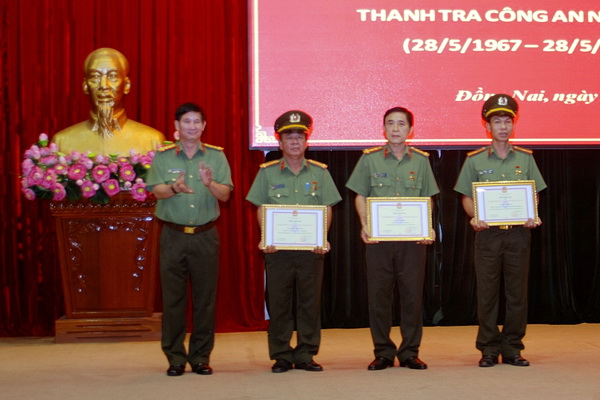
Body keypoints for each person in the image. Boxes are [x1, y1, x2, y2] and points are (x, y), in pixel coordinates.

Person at [454, 94, 547, 368]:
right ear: (488, 126)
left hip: (518, 234)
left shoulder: (526, 159)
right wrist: (475, 217)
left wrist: (531, 213)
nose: (503, 126)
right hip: (488, 236)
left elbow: (534, 193)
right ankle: (489, 348)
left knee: (517, 293)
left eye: (508, 121)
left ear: (513, 125)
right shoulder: (475, 160)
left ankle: (513, 347)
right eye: (497, 121)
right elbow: (466, 197)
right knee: (488, 294)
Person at [246, 110, 342, 373]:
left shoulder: (320, 173)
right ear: (280, 143)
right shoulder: (267, 173)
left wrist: (322, 237)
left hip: (311, 250)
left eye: (300, 137)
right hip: (278, 250)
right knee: (279, 303)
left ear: (307, 142)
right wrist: (266, 237)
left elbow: (328, 207)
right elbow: (260, 207)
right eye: (289, 137)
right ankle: (281, 355)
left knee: (309, 303)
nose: (295, 142)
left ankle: (306, 354)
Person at [346, 107, 439, 371]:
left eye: (401, 124)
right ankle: (383, 352)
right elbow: (360, 195)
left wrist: (428, 227)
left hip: (412, 243)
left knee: (412, 297)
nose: (395, 128)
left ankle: (410, 352)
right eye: (390, 123)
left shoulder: (421, 161)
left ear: (411, 130)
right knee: (379, 297)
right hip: (379, 242)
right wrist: (365, 224)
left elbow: (427, 198)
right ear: (383, 128)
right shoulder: (369, 159)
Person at [145, 102, 233, 376]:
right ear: (177, 126)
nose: (192, 127)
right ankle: (175, 358)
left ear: (204, 126)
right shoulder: (163, 156)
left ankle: (200, 357)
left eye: (196, 122)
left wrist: (209, 184)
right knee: (173, 301)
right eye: (186, 122)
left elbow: (225, 195)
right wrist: (174, 188)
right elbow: (155, 191)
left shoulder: (216, 156)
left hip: (206, 237)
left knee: (205, 300)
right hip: (173, 236)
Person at [52, 48, 164, 155]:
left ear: (127, 85)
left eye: (113, 76)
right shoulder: (61, 142)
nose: (104, 85)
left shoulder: (153, 142)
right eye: (95, 77)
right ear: (85, 86)